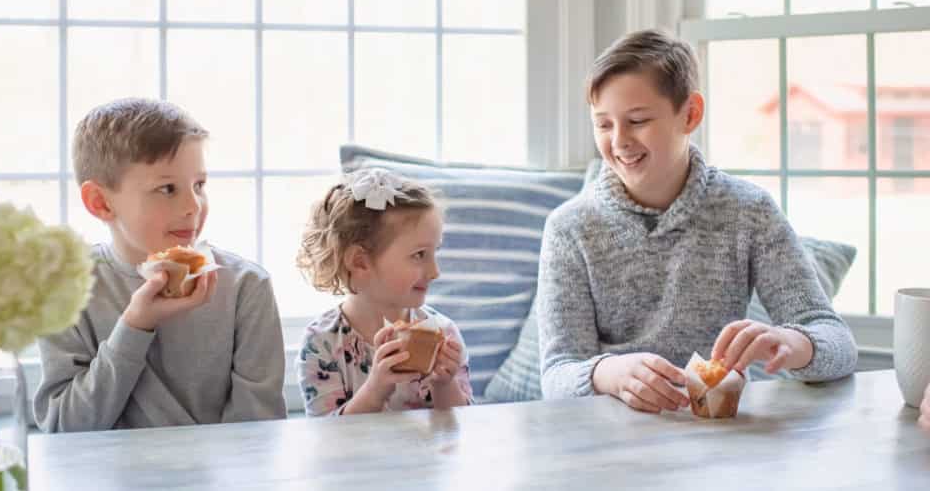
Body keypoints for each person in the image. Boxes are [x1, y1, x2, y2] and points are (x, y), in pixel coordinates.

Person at [538, 29, 857, 412]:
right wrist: (609, 373)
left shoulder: (748, 211)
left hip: (717, 437)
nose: (619, 141)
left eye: (637, 120)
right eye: (604, 124)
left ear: (690, 114)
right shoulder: (569, 228)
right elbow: (556, 376)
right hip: (606, 443)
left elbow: (837, 342)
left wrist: (792, 343)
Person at [34, 98, 287, 431]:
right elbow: (62, 428)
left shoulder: (246, 287)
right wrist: (135, 326)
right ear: (101, 202)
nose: (193, 206)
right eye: (167, 188)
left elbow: (258, 432)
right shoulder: (63, 289)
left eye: (199, 185)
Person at [295, 168, 472, 415]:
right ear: (360, 262)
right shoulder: (321, 343)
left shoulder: (444, 333)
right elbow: (328, 436)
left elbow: (464, 426)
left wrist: (445, 384)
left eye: (435, 252)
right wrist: (376, 388)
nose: (435, 271)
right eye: (419, 255)